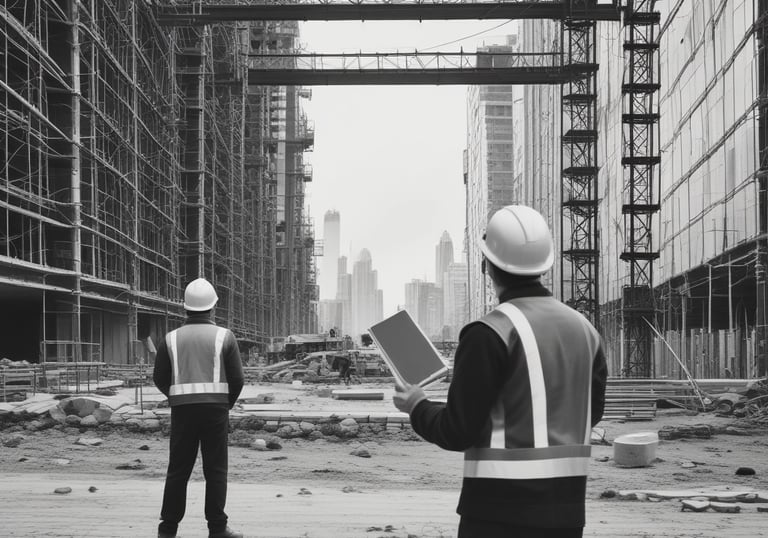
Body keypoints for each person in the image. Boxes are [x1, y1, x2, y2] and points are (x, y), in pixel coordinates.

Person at [393, 205, 607, 538]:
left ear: (486, 265)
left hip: (495, 516)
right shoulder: (586, 331)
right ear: (544, 266)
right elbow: (589, 415)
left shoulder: (489, 332)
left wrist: (417, 405)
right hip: (567, 514)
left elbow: (457, 431)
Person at [153, 277, 245, 538]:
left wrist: (176, 398)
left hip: (182, 411)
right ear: (213, 307)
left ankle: (167, 529)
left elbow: (159, 377)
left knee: (178, 470)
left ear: (185, 308)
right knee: (215, 470)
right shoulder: (225, 337)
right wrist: (225, 405)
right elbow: (237, 379)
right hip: (215, 411)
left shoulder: (169, 339)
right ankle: (217, 529)